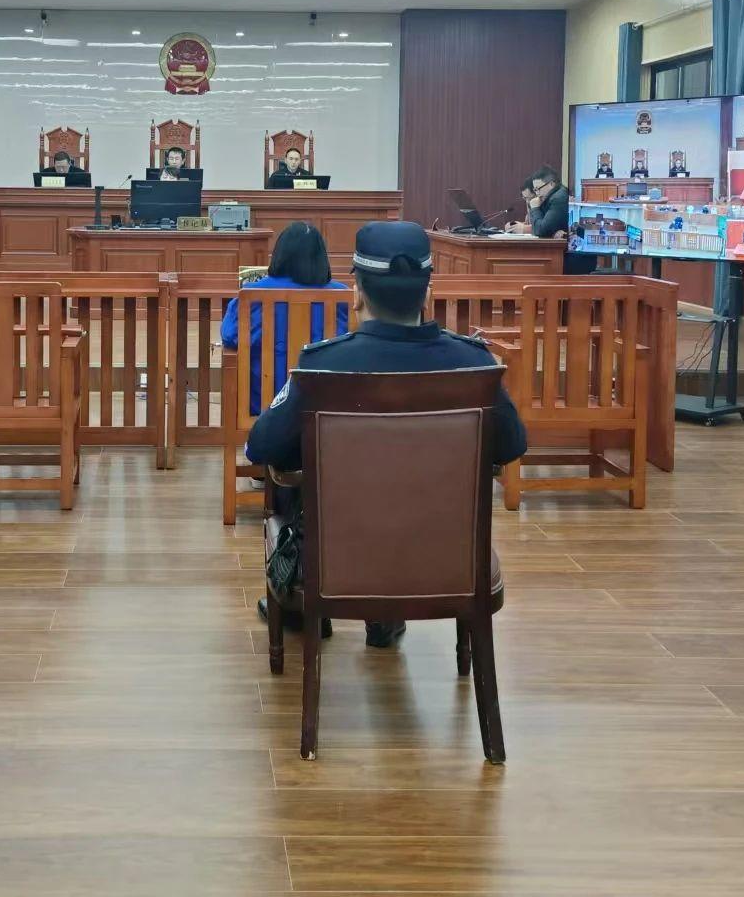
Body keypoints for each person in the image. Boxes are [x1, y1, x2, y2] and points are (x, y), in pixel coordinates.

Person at [245, 221, 528, 648]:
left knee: (291, 466)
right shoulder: (474, 363)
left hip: (340, 559)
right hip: (446, 557)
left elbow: (261, 447)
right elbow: (512, 445)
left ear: (357, 293)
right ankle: (385, 617)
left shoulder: (322, 366)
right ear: (428, 294)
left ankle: (306, 609)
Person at [221, 222, 349, 415]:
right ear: (321, 257)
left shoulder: (252, 294)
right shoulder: (342, 296)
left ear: (279, 254)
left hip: (264, 404)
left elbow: (230, 337)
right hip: (323, 404)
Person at [506, 167, 569, 238]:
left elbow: (541, 231)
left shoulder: (558, 198)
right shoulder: (551, 197)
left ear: (551, 184)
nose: (537, 193)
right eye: (535, 190)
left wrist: (535, 208)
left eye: (538, 189)